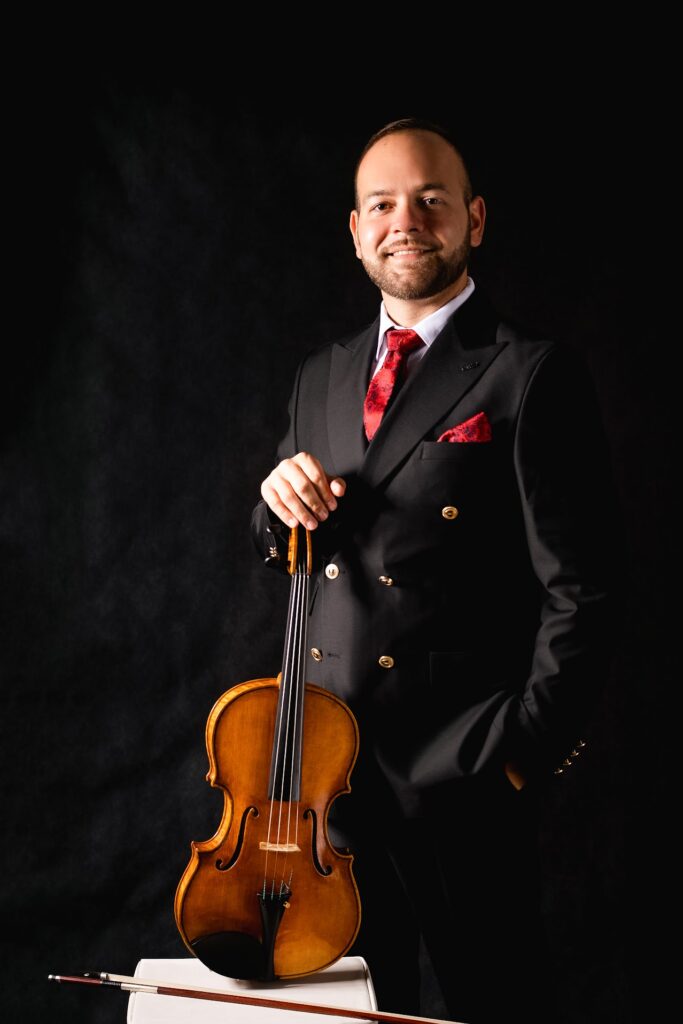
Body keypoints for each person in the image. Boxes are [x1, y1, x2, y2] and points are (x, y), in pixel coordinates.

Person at [251, 117, 619, 1023]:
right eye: (381, 204)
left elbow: (585, 590)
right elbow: (297, 544)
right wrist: (272, 505)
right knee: (347, 1015)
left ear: (474, 219)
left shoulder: (529, 374)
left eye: (429, 201)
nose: (403, 220)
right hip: (326, 792)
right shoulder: (321, 376)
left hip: (461, 786)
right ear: (354, 228)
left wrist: (519, 756)